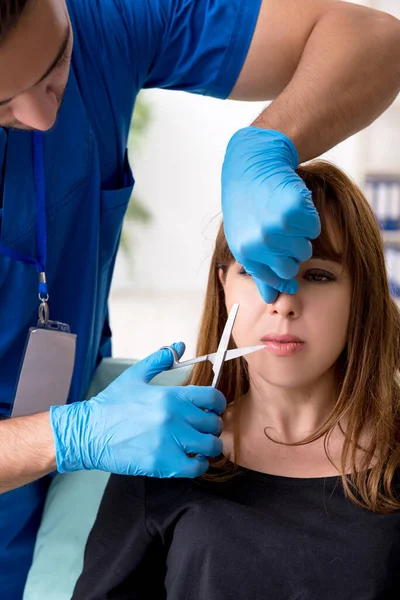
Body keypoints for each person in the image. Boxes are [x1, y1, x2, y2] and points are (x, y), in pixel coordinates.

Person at [0, 0, 399, 596]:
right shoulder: (167, 478)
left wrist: (266, 142)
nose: (41, 114)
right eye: (1, 105)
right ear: (221, 283)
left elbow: (373, 39)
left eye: (56, 65)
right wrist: (67, 437)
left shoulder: (109, 23)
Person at [72, 160, 400, 600]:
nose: (282, 303)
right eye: (255, 272)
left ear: (361, 295)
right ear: (224, 285)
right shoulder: (163, 449)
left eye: (317, 275)